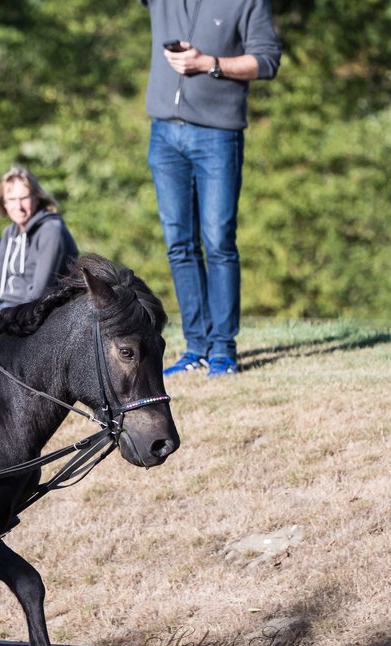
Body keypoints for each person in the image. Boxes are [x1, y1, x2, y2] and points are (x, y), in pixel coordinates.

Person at [141, 0, 282, 378]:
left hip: (218, 135)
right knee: (179, 242)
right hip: (164, 135)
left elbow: (267, 61)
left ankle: (223, 349)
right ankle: (196, 347)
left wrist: (210, 64)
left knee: (218, 239)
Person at [0, 166, 78, 318]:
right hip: (3, 308)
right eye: (11, 200)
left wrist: (8, 318)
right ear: (4, 203)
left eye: (24, 198)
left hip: (23, 314)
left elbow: (40, 292)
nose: (18, 206)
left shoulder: (51, 230)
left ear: (36, 198)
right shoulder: (9, 233)